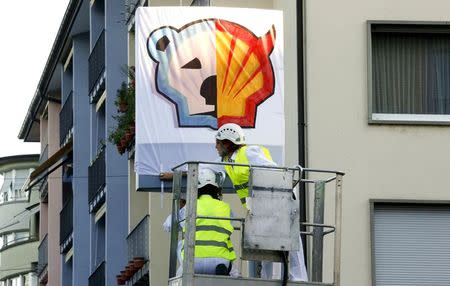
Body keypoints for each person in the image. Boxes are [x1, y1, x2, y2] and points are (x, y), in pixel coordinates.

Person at [213, 123, 308, 282]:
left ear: (228, 142)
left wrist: (278, 203)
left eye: (218, 142)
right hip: (262, 209)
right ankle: (269, 280)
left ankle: (298, 281)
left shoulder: (249, 152)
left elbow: (275, 171)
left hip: (277, 203)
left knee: (290, 247)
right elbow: (204, 167)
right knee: (268, 248)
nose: (215, 146)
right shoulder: (229, 161)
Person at [182, 168, 236, 275]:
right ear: (216, 188)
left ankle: (185, 272)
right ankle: (228, 271)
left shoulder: (189, 206)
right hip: (220, 260)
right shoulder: (226, 207)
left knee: (180, 244)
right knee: (227, 242)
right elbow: (231, 226)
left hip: (193, 262)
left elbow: (173, 225)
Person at [162, 194, 186, 276]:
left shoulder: (184, 211)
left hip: (193, 255)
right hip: (216, 253)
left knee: (180, 245)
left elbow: (167, 226)